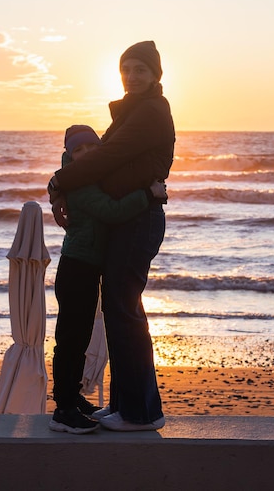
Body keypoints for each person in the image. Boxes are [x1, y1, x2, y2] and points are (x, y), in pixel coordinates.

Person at [48, 40, 175, 431]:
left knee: (123, 309)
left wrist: (59, 181)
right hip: (130, 219)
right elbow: (105, 161)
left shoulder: (152, 110)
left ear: (156, 74)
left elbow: (107, 157)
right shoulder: (135, 110)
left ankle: (139, 412)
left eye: (141, 69)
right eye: (127, 69)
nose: (132, 76)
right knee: (119, 310)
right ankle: (126, 404)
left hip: (139, 219)